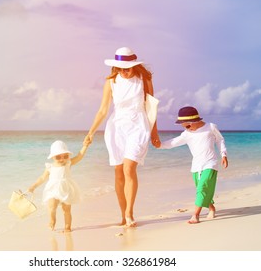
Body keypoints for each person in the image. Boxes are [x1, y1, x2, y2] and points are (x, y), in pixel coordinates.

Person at [83, 47, 161, 227]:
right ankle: (122, 216)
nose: (124, 72)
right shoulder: (111, 82)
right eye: (120, 69)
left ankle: (129, 213)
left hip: (138, 125)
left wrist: (154, 132)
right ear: (115, 68)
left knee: (129, 168)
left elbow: (151, 107)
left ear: (134, 66)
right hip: (117, 127)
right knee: (118, 172)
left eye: (127, 68)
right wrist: (91, 132)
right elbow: (103, 110)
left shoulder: (144, 79)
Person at [157, 106, 228, 224]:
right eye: (184, 126)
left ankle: (195, 215)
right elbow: (173, 143)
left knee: (202, 188)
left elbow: (220, 140)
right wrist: (159, 144)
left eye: (188, 126)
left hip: (210, 163)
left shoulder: (210, 127)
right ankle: (211, 207)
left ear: (196, 121)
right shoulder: (187, 134)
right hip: (196, 167)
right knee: (203, 189)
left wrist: (223, 154)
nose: (187, 129)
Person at [28, 140, 88, 232]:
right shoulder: (50, 167)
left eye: (65, 156)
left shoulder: (68, 163)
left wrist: (85, 146)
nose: (62, 159)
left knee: (66, 210)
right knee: (52, 207)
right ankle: (52, 220)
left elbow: (79, 156)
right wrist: (33, 186)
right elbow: (42, 178)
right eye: (58, 157)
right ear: (52, 157)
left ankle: (67, 227)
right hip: (52, 189)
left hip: (66, 189)